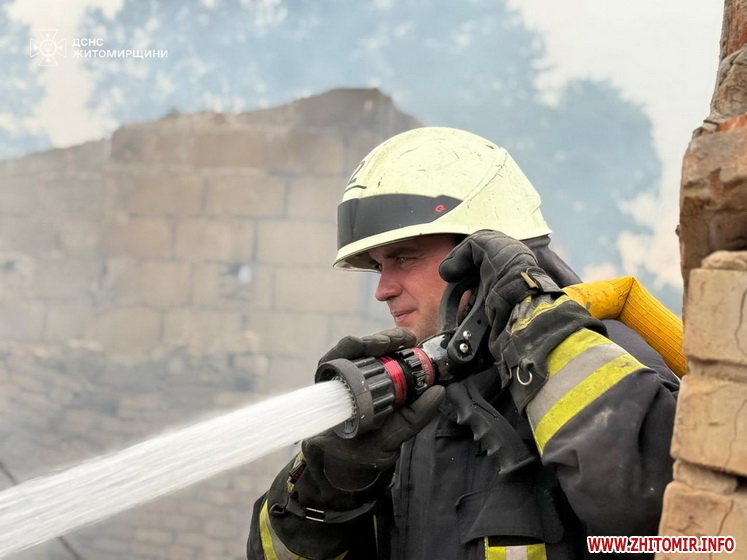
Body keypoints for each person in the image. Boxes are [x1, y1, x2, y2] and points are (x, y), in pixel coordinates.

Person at [247, 127, 680, 560]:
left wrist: (538, 334)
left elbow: (666, 521)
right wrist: (327, 491)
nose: (382, 290)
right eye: (379, 266)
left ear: (480, 258)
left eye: (404, 258)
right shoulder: (409, 413)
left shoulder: (612, 364)